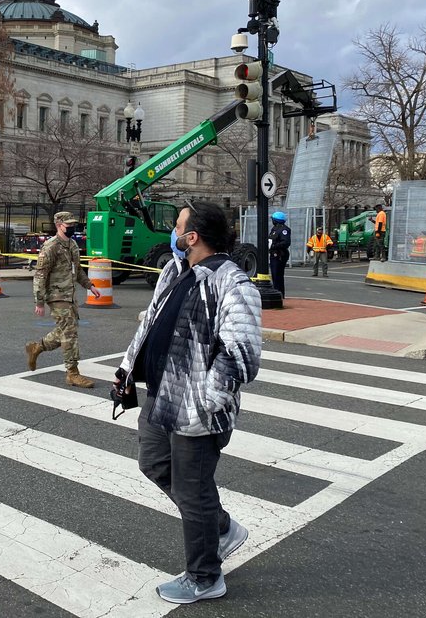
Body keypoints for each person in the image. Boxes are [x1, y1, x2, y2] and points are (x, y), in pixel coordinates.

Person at [114, 200, 261, 605]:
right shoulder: (175, 271)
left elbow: (241, 358)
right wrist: (127, 370)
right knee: (154, 464)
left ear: (191, 237)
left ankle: (205, 577)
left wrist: (205, 402)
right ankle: (221, 527)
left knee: (192, 490)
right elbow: (151, 323)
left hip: (197, 411)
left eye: (178, 226)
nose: (173, 234)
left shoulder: (233, 284)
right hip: (162, 398)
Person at [25, 211, 101, 389]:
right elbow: (40, 275)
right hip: (56, 296)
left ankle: (37, 347)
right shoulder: (51, 247)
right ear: (59, 225)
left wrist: (90, 286)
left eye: (73, 225)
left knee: (65, 331)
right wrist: (39, 301)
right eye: (69, 226)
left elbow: (78, 269)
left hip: (70, 295)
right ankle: (72, 373)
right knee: (70, 332)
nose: (72, 228)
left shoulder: (72, 244)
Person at [268, 211, 291, 296]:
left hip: (280, 254)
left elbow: (286, 242)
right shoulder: (274, 229)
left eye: (273, 219)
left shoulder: (284, 230)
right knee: (274, 275)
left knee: (278, 275)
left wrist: (274, 246)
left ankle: (279, 293)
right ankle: (278, 292)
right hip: (274, 254)